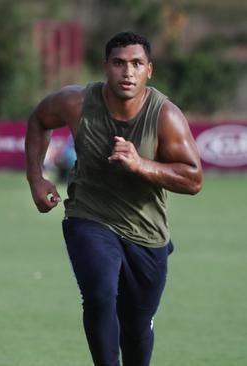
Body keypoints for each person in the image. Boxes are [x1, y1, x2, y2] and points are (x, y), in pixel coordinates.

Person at [24, 31, 203, 366]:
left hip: (147, 233)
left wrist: (141, 165)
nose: (128, 72)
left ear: (149, 70)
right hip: (90, 216)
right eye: (119, 63)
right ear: (106, 67)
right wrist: (36, 177)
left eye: (136, 63)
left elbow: (193, 179)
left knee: (136, 330)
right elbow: (39, 119)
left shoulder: (165, 116)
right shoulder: (76, 102)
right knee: (99, 295)